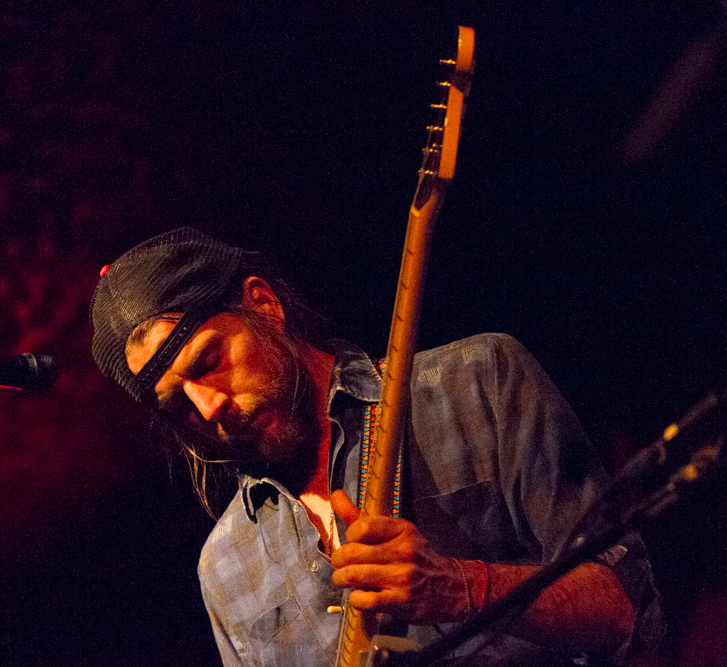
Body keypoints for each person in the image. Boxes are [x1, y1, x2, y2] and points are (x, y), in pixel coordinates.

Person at [90, 227, 661, 666]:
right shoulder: (224, 568)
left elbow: (626, 609)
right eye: (178, 404)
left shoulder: (479, 381)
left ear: (263, 304)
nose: (208, 407)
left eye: (209, 361)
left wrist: (461, 588)